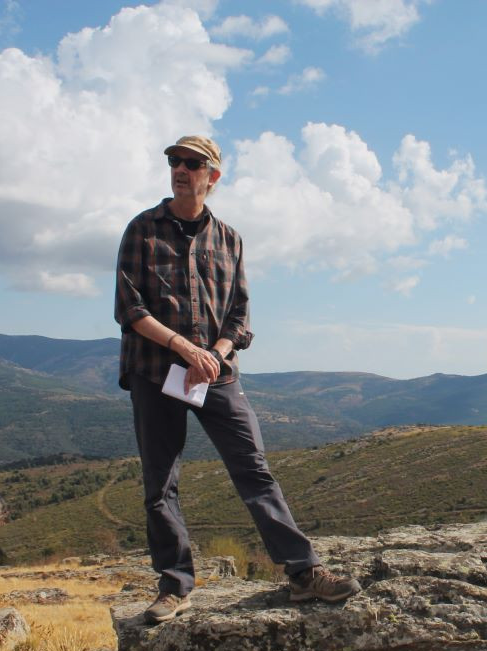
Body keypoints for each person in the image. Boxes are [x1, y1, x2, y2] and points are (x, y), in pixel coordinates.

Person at [114, 135, 361, 623]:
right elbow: (129, 308)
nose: (180, 169)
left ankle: (303, 572)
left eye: (192, 163)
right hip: (155, 372)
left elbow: (240, 315)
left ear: (213, 176)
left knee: (253, 469)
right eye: (174, 161)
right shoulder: (142, 230)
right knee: (160, 484)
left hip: (217, 374)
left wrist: (217, 352)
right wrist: (186, 349)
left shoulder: (229, 238)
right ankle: (175, 585)